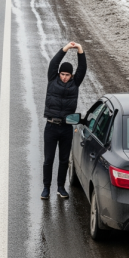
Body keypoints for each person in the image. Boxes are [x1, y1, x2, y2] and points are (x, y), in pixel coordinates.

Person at [42, 42, 86, 200]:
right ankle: (46, 188)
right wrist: (66, 49)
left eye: (67, 75)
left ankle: (60, 187)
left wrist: (80, 50)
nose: (65, 77)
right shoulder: (52, 79)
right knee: (48, 159)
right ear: (59, 74)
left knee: (63, 160)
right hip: (51, 127)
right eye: (63, 74)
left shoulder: (75, 83)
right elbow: (54, 63)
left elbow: (82, 68)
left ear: (71, 76)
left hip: (66, 128)